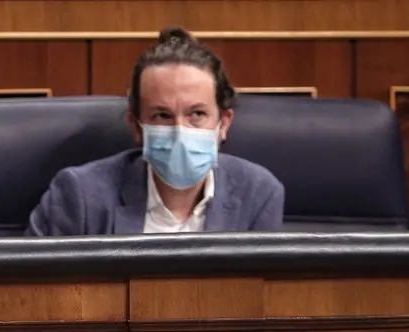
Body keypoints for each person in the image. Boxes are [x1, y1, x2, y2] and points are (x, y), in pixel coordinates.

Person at [27, 26, 284, 236]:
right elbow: (30, 290)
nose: (179, 132)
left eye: (197, 114)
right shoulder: (79, 194)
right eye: (162, 115)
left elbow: (262, 295)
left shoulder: (258, 193)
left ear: (224, 123)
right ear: (136, 126)